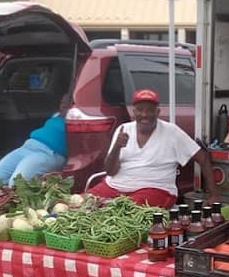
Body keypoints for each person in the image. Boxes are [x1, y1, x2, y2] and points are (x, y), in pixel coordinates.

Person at [88, 88, 220, 207]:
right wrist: (117, 147)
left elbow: (203, 158)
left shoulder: (172, 132)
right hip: (114, 187)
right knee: (81, 204)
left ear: (157, 112)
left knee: (122, 211)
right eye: (140, 110)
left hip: (155, 189)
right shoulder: (124, 129)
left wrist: (213, 195)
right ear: (134, 112)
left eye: (149, 110)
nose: (144, 114)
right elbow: (110, 171)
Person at [0, 96, 69, 186]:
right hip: (27, 147)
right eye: (62, 102)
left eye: (68, 102)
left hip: (49, 154)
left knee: (17, 183)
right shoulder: (56, 115)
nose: (63, 104)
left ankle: (17, 199)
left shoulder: (76, 119)